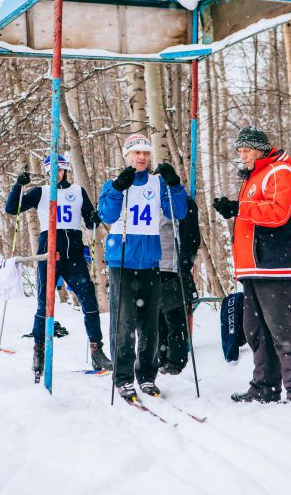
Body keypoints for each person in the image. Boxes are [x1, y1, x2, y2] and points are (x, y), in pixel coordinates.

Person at [213, 126, 291, 403]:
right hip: (252, 267)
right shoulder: (254, 176)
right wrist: (234, 209)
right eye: (240, 151)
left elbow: (278, 213)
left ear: (259, 149)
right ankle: (265, 389)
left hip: (274, 264)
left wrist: (239, 208)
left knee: (283, 331)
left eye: (245, 150)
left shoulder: (280, 171)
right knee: (256, 331)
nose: (242, 156)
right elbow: (251, 216)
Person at [98, 134, 188, 401]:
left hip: (150, 261)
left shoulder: (157, 183)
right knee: (123, 324)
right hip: (122, 260)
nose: (142, 157)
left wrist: (174, 184)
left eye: (146, 153)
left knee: (149, 325)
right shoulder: (115, 183)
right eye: (136, 153)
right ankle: (123, 377)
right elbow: (107, 215)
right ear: (127, 155)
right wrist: (117, 188)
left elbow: (179, 212)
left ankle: (147, 376)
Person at [5, 154, 112, 378]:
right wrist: (18, 185)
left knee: (89, 300)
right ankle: (39, 351)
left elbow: (91, 221)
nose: (57, 174)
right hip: (48, 251)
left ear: (65, 170)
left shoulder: (77, 191)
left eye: (60, 170)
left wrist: (96, 215)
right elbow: (11, 209)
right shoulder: (41, 192)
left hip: (73, 252)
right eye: (52, 171)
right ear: (47, 173)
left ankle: (96, 350)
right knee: (44, 304)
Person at [158, 196, 200, 375]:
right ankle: (160, 357)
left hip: (173, 266)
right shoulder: (151, 199)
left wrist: (184, 263)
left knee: (175, 317)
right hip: (150, 265)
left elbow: (191, 235)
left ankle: (176, 360)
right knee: (156, 317)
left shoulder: (181, 201)